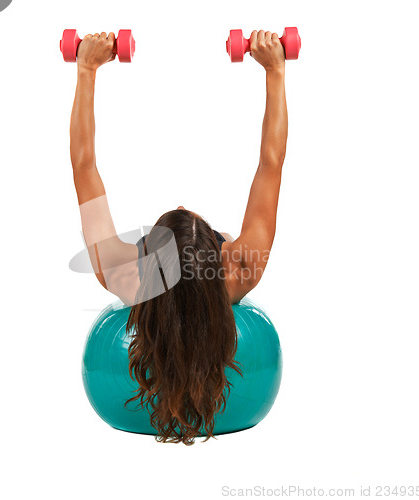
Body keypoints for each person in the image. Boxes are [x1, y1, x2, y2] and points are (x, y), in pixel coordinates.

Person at [69, 30, 288, 444]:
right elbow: (271, 163)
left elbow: (84, 166)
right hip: (240, 400)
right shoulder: (240, 268)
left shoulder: (125, 275)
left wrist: (86, 68)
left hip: (126, 402)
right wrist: (275, 70)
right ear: (219, 254)